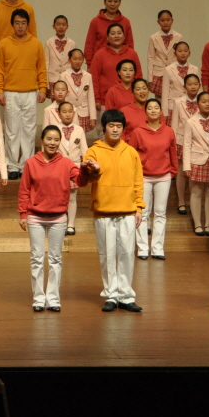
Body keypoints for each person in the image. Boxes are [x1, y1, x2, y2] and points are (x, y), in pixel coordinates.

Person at [80, 109, 144, 312]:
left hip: (127, 210)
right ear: (104, 127)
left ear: (123, 129)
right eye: (111, 126)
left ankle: (125, 295)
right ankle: (111, 294)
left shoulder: (131, 152)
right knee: (107, 255)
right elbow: (87, 179)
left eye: (119, 126)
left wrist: (139, 207)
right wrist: (95, 170)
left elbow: (138, 181)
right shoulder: (93, 151)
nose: (115, 130)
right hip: (104, 210)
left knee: (127, 253)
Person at [19, 125, 81, 311]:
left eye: (56, 140)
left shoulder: (67, 163)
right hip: (35, 217)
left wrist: (88, 170)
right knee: (37, 258)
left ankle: (53, 298)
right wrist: (23, 213)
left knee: (55, 259)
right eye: (49, 139)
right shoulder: (31, 163)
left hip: (58, 217)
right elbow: (24, 189)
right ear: (42, 141)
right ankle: (38, 298)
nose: (52, 143)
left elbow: (81, 180)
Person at [0, 8, 47, 180]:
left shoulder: (36, 44)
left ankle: (27, 165)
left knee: (29, 130)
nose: (20, 26)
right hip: (10, 92)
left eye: (23, 23)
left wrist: (43, 88)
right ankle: (12, 165)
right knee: (11, 130)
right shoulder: (4, 43)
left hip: (31, 92)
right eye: (17, 23)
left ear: (28, 25)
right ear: (12, 24)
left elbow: (41, 68)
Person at [127, 98, 177, 260]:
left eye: (156, 108)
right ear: (145, 111)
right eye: (150, 108)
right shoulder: (138, 132)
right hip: (143, 177)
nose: (153, 110)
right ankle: (142, 248)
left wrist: (172, 171)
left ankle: (157, 248)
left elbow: (173, 153)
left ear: (161, 111)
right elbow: (131, 155)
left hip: (163, 177)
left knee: (160, 213)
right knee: (143, 213)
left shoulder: (169, 131)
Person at [183, 91, 209, 237]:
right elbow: (186, 144)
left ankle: (208, 224)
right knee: (196, 192)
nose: (208, 104)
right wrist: (186, 166)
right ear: (197, 104)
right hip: (196, 160)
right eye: (204, 101)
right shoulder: (190, 122)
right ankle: (197, 224)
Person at [171, 73, 203, 215]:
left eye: (195, 84)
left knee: (193, 172)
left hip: (197, 142)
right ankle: (181, 201)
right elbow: (174, 124)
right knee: (181, 171)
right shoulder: (178, 102)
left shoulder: (203, 100)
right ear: (184, 86)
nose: (193, 86)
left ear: (200, 85)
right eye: (190, 84)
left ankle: (193, 201)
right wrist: (173, 143)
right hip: (181, 140)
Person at [54, 101, 87, 235]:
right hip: (58, 168)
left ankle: (71, 224)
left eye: (70, 111)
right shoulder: (54, 129)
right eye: (64, 112)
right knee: (58, 197)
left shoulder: (79, 130)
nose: (67, 114)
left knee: (72, 197)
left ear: (74, 113)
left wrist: (86, 166)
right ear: (58, 113)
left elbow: (84, 150)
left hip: (74, 167)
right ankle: (60, 222)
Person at [92, 25, 142, 112]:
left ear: (124, 36)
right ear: (107, 37)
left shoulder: (132, 53)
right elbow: (94, 78)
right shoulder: (100, 54)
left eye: (119, 33)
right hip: (104, 101)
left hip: (131, 101)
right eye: (113, 33)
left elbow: (138, 76)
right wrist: (96, 98)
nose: (116, 36)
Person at [83, 0, 133, 68]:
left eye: (115, 1)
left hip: (121, 64)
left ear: (120, 3)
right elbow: (89, 44)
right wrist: (89, 64)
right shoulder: (95, 21)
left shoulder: (125, 22)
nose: (112, 4)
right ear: (104, 2)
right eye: (110, 1)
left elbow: (129, 44)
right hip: (100, 63)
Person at [160, 42, 198, 122]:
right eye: (180, 51)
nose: (183, 53)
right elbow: (165, 92)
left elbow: (198, 90)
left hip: (190, 106)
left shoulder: (194, 69)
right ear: (175, 53)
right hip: (173, 106)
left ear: (189, 53)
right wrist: (165, 112)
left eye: (185, 51)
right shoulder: (168, 69)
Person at [146, 10, 180, 96]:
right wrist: (150, 79)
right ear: (158, 22)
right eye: (162, 20)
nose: (165, 23)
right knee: (159, 99)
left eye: (168, 20)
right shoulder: (154, 37)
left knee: (174, 98)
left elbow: (180, 56)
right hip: (158, 73)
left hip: (174, 72)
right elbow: (150, 58)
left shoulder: (178, 37)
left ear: (172, 20)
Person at [61, 49, 96, 133]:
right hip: (69, 112)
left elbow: (91, 97)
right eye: (75, 59)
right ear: (69, 60)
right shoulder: (63, 76)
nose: (77, 61)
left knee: (82, 136)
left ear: (83, 60)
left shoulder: (88, 76)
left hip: (83, 112)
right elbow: (61, 97)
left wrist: (93, 117)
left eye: (80, 59)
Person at [44, 15, 76, 93]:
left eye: (63, 24)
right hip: (52, 78)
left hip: (67, 78)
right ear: (53, 26)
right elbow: (46, 63)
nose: (61, 27)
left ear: (67, 26)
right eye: (58, 24)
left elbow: (73, 63)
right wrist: (46, 84)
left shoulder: (72, 43)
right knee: (54, 100)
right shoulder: (48, 43)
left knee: (67, 99)